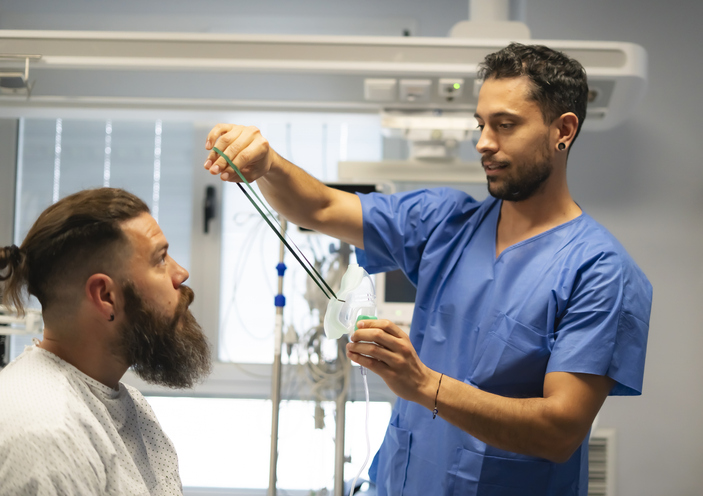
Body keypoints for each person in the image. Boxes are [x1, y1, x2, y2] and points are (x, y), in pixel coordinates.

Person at [203, 43, 652, 495]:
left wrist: (422, 384)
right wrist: (270, 165)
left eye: (505, 125)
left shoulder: (599, 271)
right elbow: (318, 207)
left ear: (564, 130)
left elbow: (559, 432)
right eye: (481, 124)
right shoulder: (444, 222)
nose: (483, 142)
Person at [0, 188, 211, 495]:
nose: (181, 273)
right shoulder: (46, 435)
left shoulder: (129, 406)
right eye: (161, 259)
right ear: (105, 296)